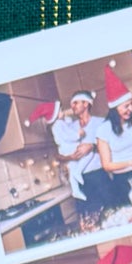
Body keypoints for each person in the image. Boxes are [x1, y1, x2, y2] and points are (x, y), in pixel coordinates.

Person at [93, 66, 132, 210]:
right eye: (126, 106)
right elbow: (107, 165)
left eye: (131, 105)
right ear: (115, 108)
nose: (130, 109)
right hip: (123, 181)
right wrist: (131, 162)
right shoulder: (103, 130)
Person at [44, 88, 99, 217]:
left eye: (75, 103)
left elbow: (111, 147)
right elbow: (57, 155)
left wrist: (92, 146)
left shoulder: (100, 122)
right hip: (79, 180)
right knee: (87, 219)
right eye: (71, 103)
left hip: (98, 177)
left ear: (86, 104)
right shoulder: (68, 126)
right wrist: (70, 157)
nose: (71, 106)